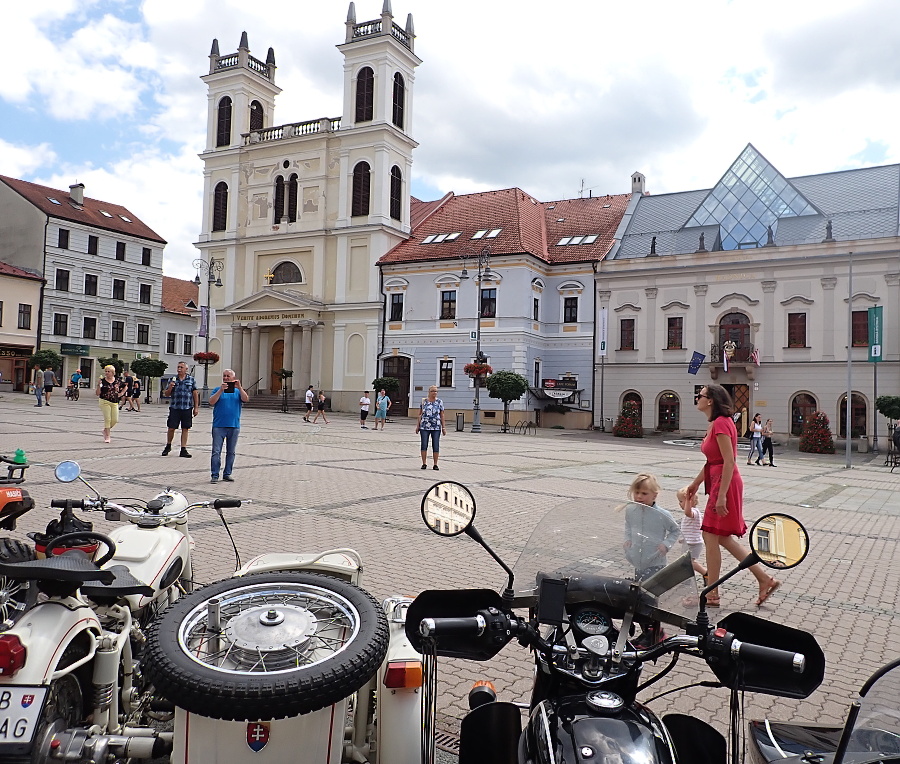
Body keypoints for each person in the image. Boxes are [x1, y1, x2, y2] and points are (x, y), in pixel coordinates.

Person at [685, 385, 780, 608]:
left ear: (711, 401)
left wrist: (721, 497)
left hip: (724, 484)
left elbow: (729, 461)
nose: (697, 397)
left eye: (701, 395)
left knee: (710, 536)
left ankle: (712, 594)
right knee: (720, 537)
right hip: (719, 480)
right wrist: (696, 483)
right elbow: (713, 461)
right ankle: (765, 579)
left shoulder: (720, 423)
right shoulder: (716, 423)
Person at [622, 473, 680, 581]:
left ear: (654, 495)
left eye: (644, 493)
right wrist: (628, 539)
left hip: (655, 559)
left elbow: (675, 530)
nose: (639, 496)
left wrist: (666, 544)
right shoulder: (631, 510)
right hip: (638, 558)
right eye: (637, 492)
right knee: (639, 587)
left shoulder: (662, 514)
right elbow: (628, 525)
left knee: (651, 590)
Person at [209, 369, 249, 483]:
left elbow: (246, 399)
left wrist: (240, 387)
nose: (226, 378)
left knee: (231, 451)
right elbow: (211, 402)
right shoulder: (217, 389)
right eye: (224, 376)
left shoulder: (237, 391)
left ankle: (227, 473)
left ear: (233, 378)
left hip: (234, 425)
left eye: (228, 376)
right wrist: (220, 391)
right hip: (219, 425)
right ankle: (215, 474)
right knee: (216, 451)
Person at [162, 361, 199, 457]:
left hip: (187, 407)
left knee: (185, 428)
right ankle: (168, 445)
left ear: (186, 369)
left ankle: (183, 449)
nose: (179, 369)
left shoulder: (191, 380)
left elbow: (195, 394)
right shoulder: (172, 379)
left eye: (181, 367)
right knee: (171, 428)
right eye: (178, 367)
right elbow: (166, 394)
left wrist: (196, 407)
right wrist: (170, 387)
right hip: (175, 407)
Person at [675, 486, 708, 580]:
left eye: (681, 501)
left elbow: (687, 512)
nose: (679, 504)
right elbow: (689, 528)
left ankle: (706, 573)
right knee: (685, 562)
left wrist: (688, 501)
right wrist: (683, 539)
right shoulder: (694, 512)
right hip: (689, 542)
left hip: (693, 543)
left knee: (689, 562)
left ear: (690, 501)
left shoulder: (693, 512)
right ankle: (687, 578)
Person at [416, 386, 445, 470]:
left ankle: (435, 464)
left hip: (436, 427)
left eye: (436, 391)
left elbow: (442, 415)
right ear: (429, 392)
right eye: (433, 391)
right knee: (424, 444)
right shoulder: (424, 402)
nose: (434, 393)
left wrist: (443, 427)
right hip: (424, 426)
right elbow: (420, 414)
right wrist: (418, 425)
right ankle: (424, 463)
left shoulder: (439, 402)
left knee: (436, 445)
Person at [96, 365, 127, 443]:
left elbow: (125, 386)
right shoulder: (102, 381)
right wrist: (98, 386)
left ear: (113, 373)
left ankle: (105, 430)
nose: (106, 373)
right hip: (104, 401)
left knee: (115, 420)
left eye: (108, 371)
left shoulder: (117, 381)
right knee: (108, 419)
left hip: (115, 402)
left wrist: (122, 393)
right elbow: (97, 393)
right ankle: (108, 436)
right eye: (106, 371)